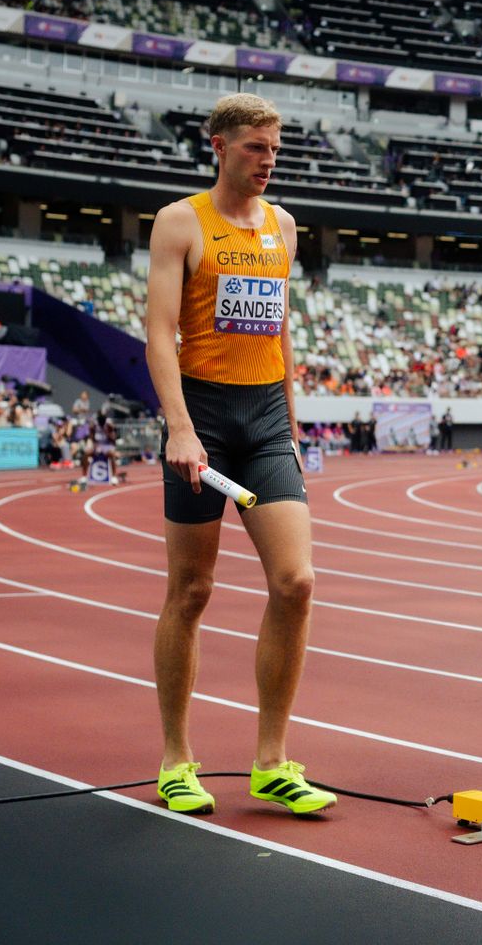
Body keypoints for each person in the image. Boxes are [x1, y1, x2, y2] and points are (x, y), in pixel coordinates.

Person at [144, 92, 331, 818]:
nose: (268, 160)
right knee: (191, 593)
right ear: (217, 145)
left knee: (297, 583)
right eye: (255, 147)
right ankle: (176, 759)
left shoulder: (284, 225)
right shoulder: (180, 222)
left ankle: (272, 761)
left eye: (274, 148)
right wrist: (180, 429)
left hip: (265, 422)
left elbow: (281, 334)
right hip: (204, 418)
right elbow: (161, 334)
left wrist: (292, 421)